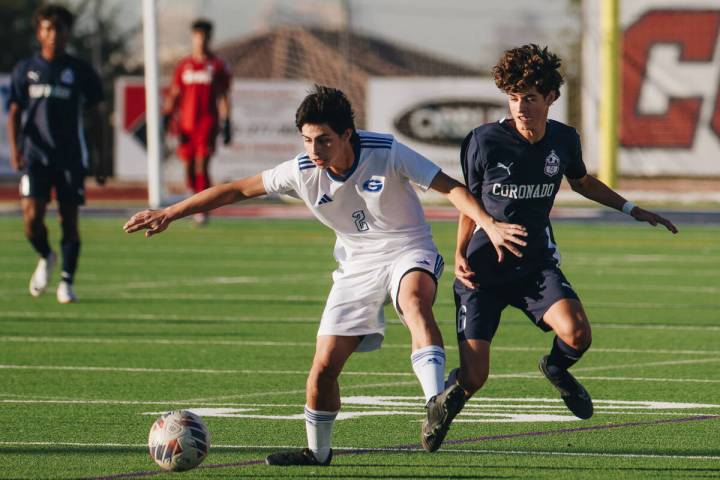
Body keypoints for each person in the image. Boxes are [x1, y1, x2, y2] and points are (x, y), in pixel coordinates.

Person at [124, 85, 525, 463]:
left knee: (415, 302)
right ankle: (316, 453)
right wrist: (169, 212)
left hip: (408, 247)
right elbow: (236, 189)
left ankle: (436, 403)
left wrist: (487, 224)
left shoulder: (386, 150)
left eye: (324, 140)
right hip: (356, 265)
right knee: (322, 370)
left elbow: (451, 187)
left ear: (347, 134)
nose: (314, 149)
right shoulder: (301, 170)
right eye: (307, 140)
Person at [442, 44, 678, 430]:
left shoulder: (564, 140)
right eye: (513, 97)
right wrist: (459, 253)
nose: (520, 107)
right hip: (483, 272)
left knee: (578, 333)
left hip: (534, 265)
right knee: (474, 379)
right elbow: (467, 199)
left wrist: (632, 209)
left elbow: (582, 181)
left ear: (551, 97)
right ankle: (443, 401)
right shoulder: (483, 141)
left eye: (529, 98)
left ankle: (555, 367)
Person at [7, 4, 105, 304]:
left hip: (70, 157)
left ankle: (66, 282)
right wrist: (15, 150)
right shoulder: (26, 69)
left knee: (69, 220)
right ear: (39, 33)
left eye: (59, 29)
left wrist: (99, 156)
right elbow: (14, 110)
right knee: (31, 219)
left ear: (67, 34)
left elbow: (96, 114)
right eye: (48, 29)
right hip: (35, 156)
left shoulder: (79, 71)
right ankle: (46, 255)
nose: (54, 35)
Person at [163, 18, 232, 225]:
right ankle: (194, 200)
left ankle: (202, 208)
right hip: (186, 123)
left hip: (207, 123)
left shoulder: (217, 65)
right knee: (188, 167)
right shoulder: (183, 65)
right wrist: (166, 115)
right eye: (197, 36)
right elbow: (175, 93)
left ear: (209, 38)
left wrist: (227, 121)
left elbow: (224, 96)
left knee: (202, 164)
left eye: (204, 36)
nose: (200, 40)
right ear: (192, 38)